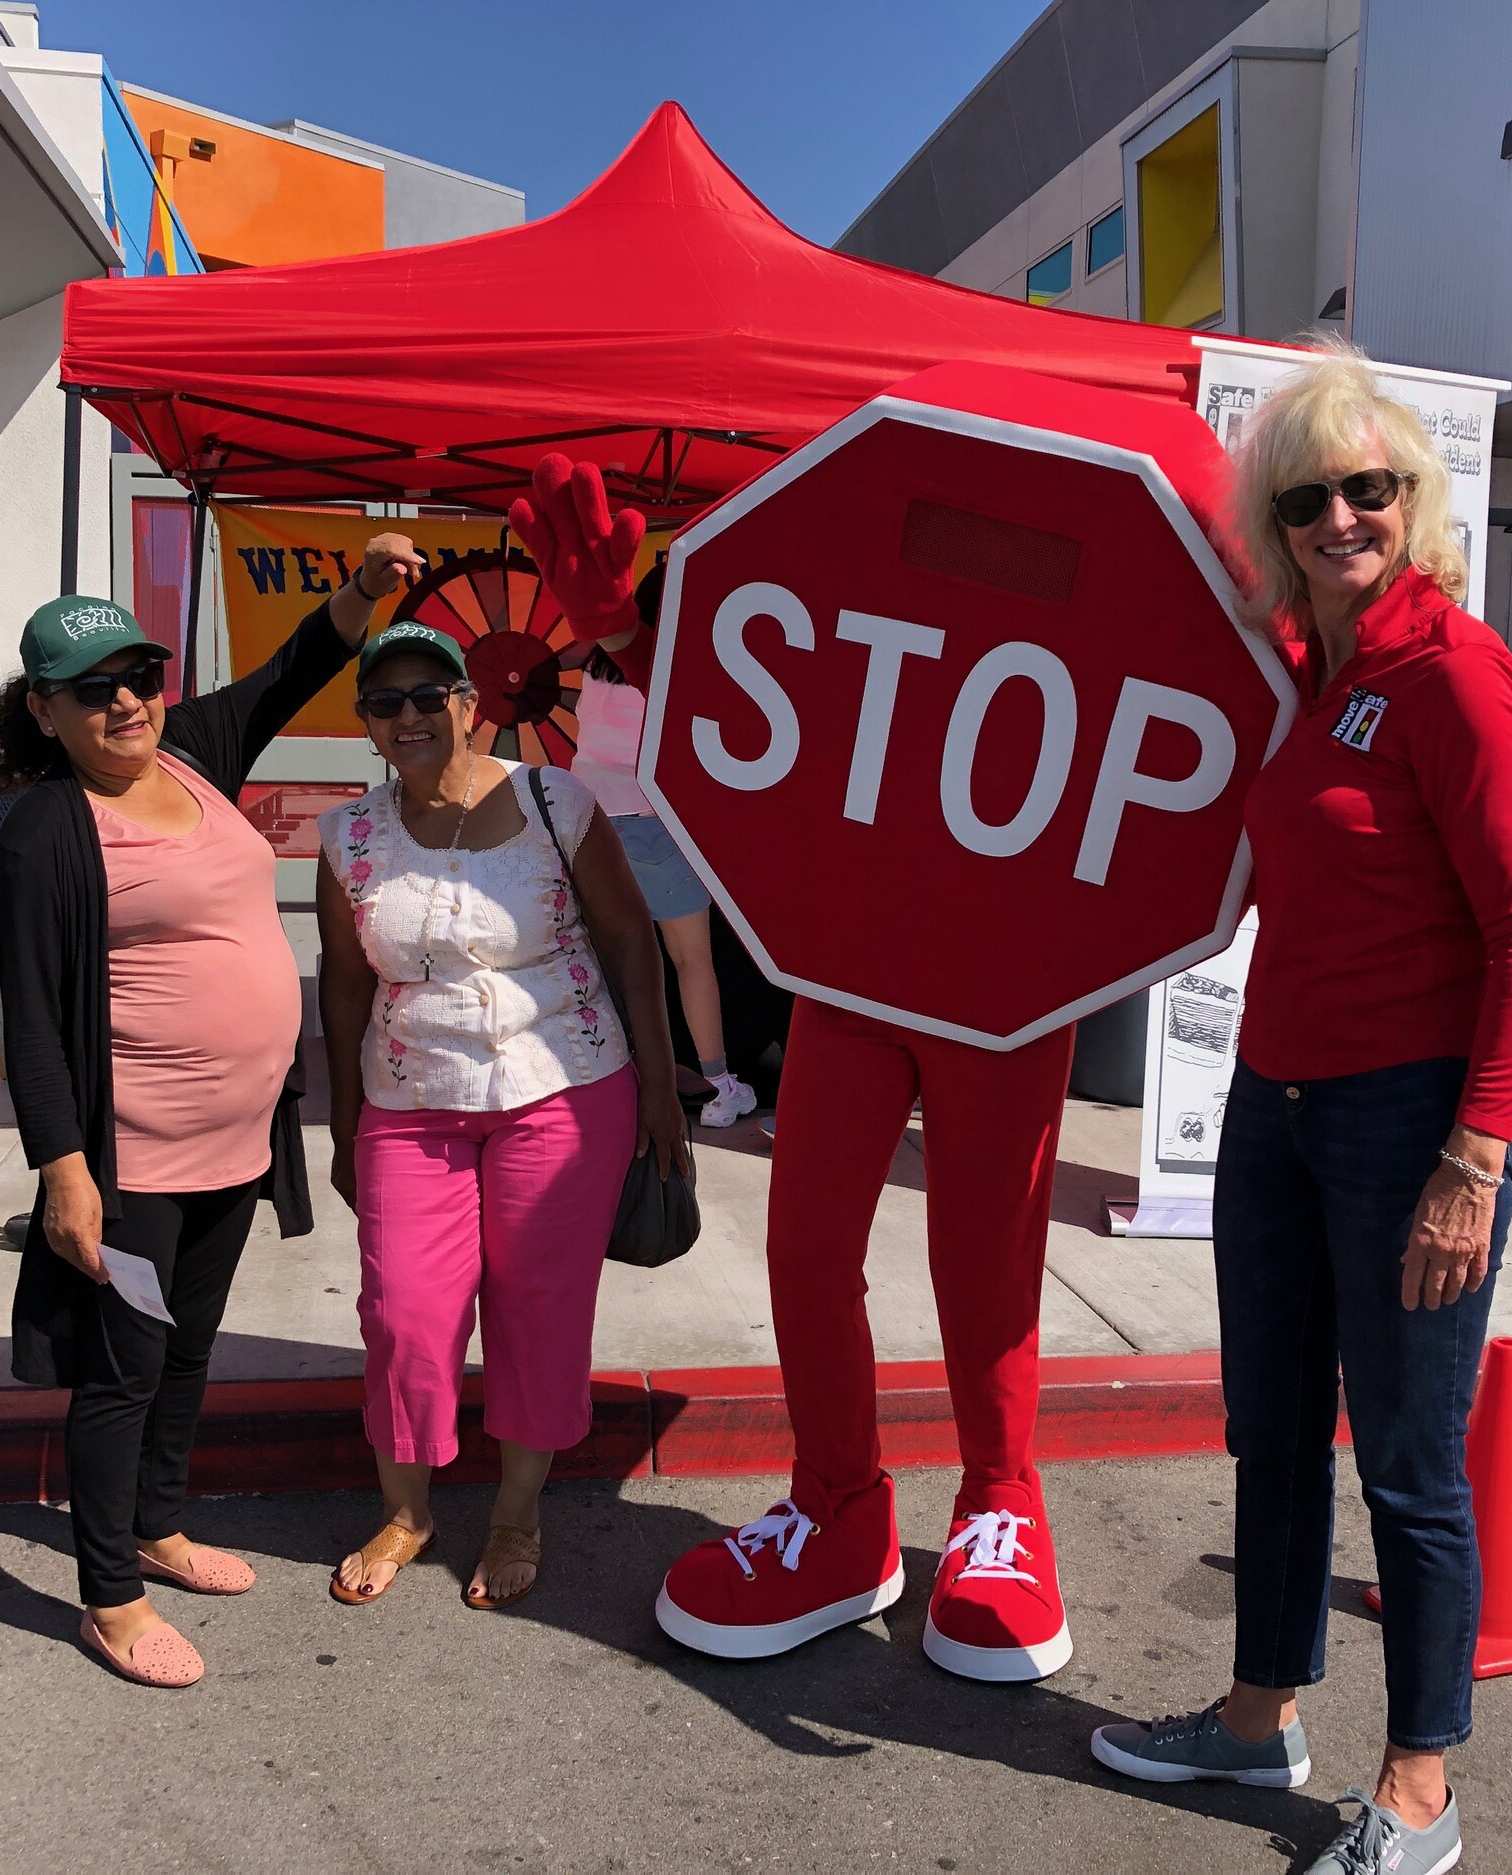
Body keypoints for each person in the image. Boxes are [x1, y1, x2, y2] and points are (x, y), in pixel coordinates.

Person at [1087, 341, 1512, 1875]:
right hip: (1277, 1112)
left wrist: (1473, 1155)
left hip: (1407, 1121)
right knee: (1273, 1432)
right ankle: (1255, 1714)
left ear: (1413, 497)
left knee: (1413, 1463)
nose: (1342, 516)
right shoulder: (1321, 673)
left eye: (1370, 487)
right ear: (1282, 520)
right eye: (1309, 497)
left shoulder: (1455, 673)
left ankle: (1420, 1783)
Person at [509, 455, 1082, 1684]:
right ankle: (837, 1506)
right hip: (855, 968)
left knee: (985, 1259)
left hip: (1011, 982)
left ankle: (1000, 1502)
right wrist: (628, 636)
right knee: (806, 1248)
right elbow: (773, 710)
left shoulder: (1055, 573)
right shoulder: (862, 548)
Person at [0, 533, 422, 1689]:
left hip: (237, 1133)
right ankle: (110, 1599)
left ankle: (157, 1526)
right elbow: (30, 1017)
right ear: (43, 710)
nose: (127, 701)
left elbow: (287, 671)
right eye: (95, 689)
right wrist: (62, 1170)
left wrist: (366, 593)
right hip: (134, 1152)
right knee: (122, 1372)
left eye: (142, 674)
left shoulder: (186, 756)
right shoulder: (44, 828)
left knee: (187, 1351)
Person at [318, 620, 685, 1612]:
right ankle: (408, 1510)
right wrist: (346, 1118)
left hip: (565, 1091)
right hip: (409, 1101)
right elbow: (346, 990)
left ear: (472, 706)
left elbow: (628, 944)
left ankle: (518, 1512)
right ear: (366, 725)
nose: (410, 715)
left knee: (538, 1308)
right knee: (403, 1314)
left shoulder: (554, 801)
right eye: (385, 702)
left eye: (429, 695)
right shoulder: (347, 835)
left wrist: (660, 1087)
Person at [566, 566, 758, 1129]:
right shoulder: (670, 668)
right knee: (692, 962)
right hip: (653, 824)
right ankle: (720, 1085)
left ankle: (596, 1078)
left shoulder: (598, 666)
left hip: (589, 826)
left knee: (602, 962)